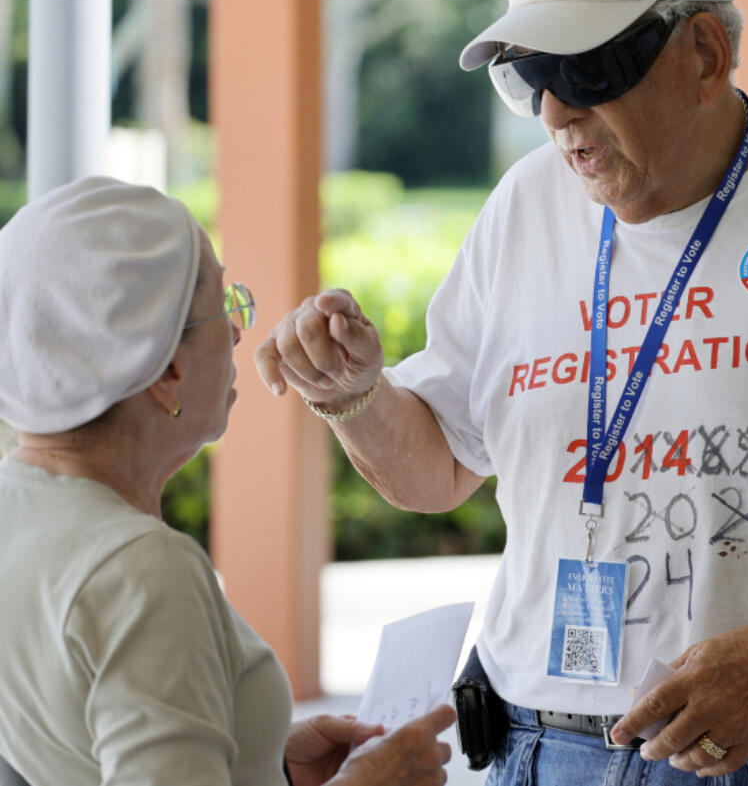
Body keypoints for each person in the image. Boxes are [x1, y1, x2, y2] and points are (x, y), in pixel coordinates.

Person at [256, 0, 748, 783]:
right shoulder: (525, 207)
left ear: (706, 53)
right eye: (531, 74)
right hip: (536, 748)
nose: (557, 111)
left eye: (588, 69)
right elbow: (439, 467)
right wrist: (352, 394)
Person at [0, 177, 455, 786]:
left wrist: (256, 757)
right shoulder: (140, 569)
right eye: (224, 304)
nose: (240, 330)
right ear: (166, 368)